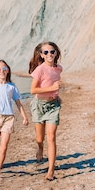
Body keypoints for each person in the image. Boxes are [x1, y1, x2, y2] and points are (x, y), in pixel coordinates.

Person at [28, 41, 63, 181]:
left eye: (52, 51)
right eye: (46, 52)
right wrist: (52, 88)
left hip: (53, 106)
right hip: (39, 106)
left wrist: (56, 95)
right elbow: (33, 90)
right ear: (41, 55)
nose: (50, 54)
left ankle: (50, 171)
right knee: (39, 138)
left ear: (56, 53)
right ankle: (40, 147)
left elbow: (53, 85)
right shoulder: (39, 70)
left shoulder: (59, 68)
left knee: (52, 138)